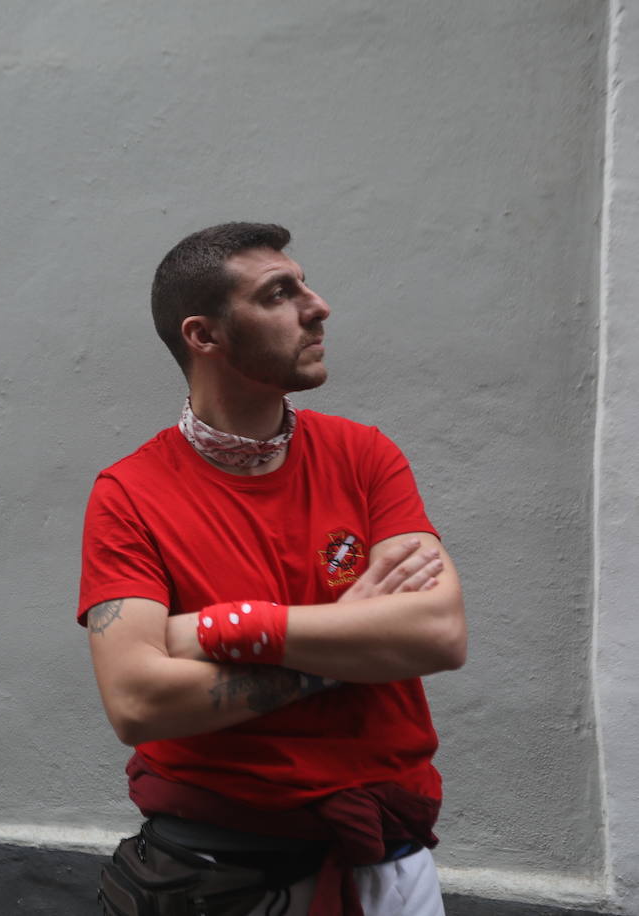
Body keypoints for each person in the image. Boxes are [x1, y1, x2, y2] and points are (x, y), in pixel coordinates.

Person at [80, 223, 467, 915]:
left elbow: (438, 634)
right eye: (280, 294)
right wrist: (351, 644)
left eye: (305, 285)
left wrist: (226, 628)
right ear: (205, 335)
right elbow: (138, 701)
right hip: (215, 871)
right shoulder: (130, 493)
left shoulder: (365, 455)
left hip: (390, 862)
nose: (318, 306)